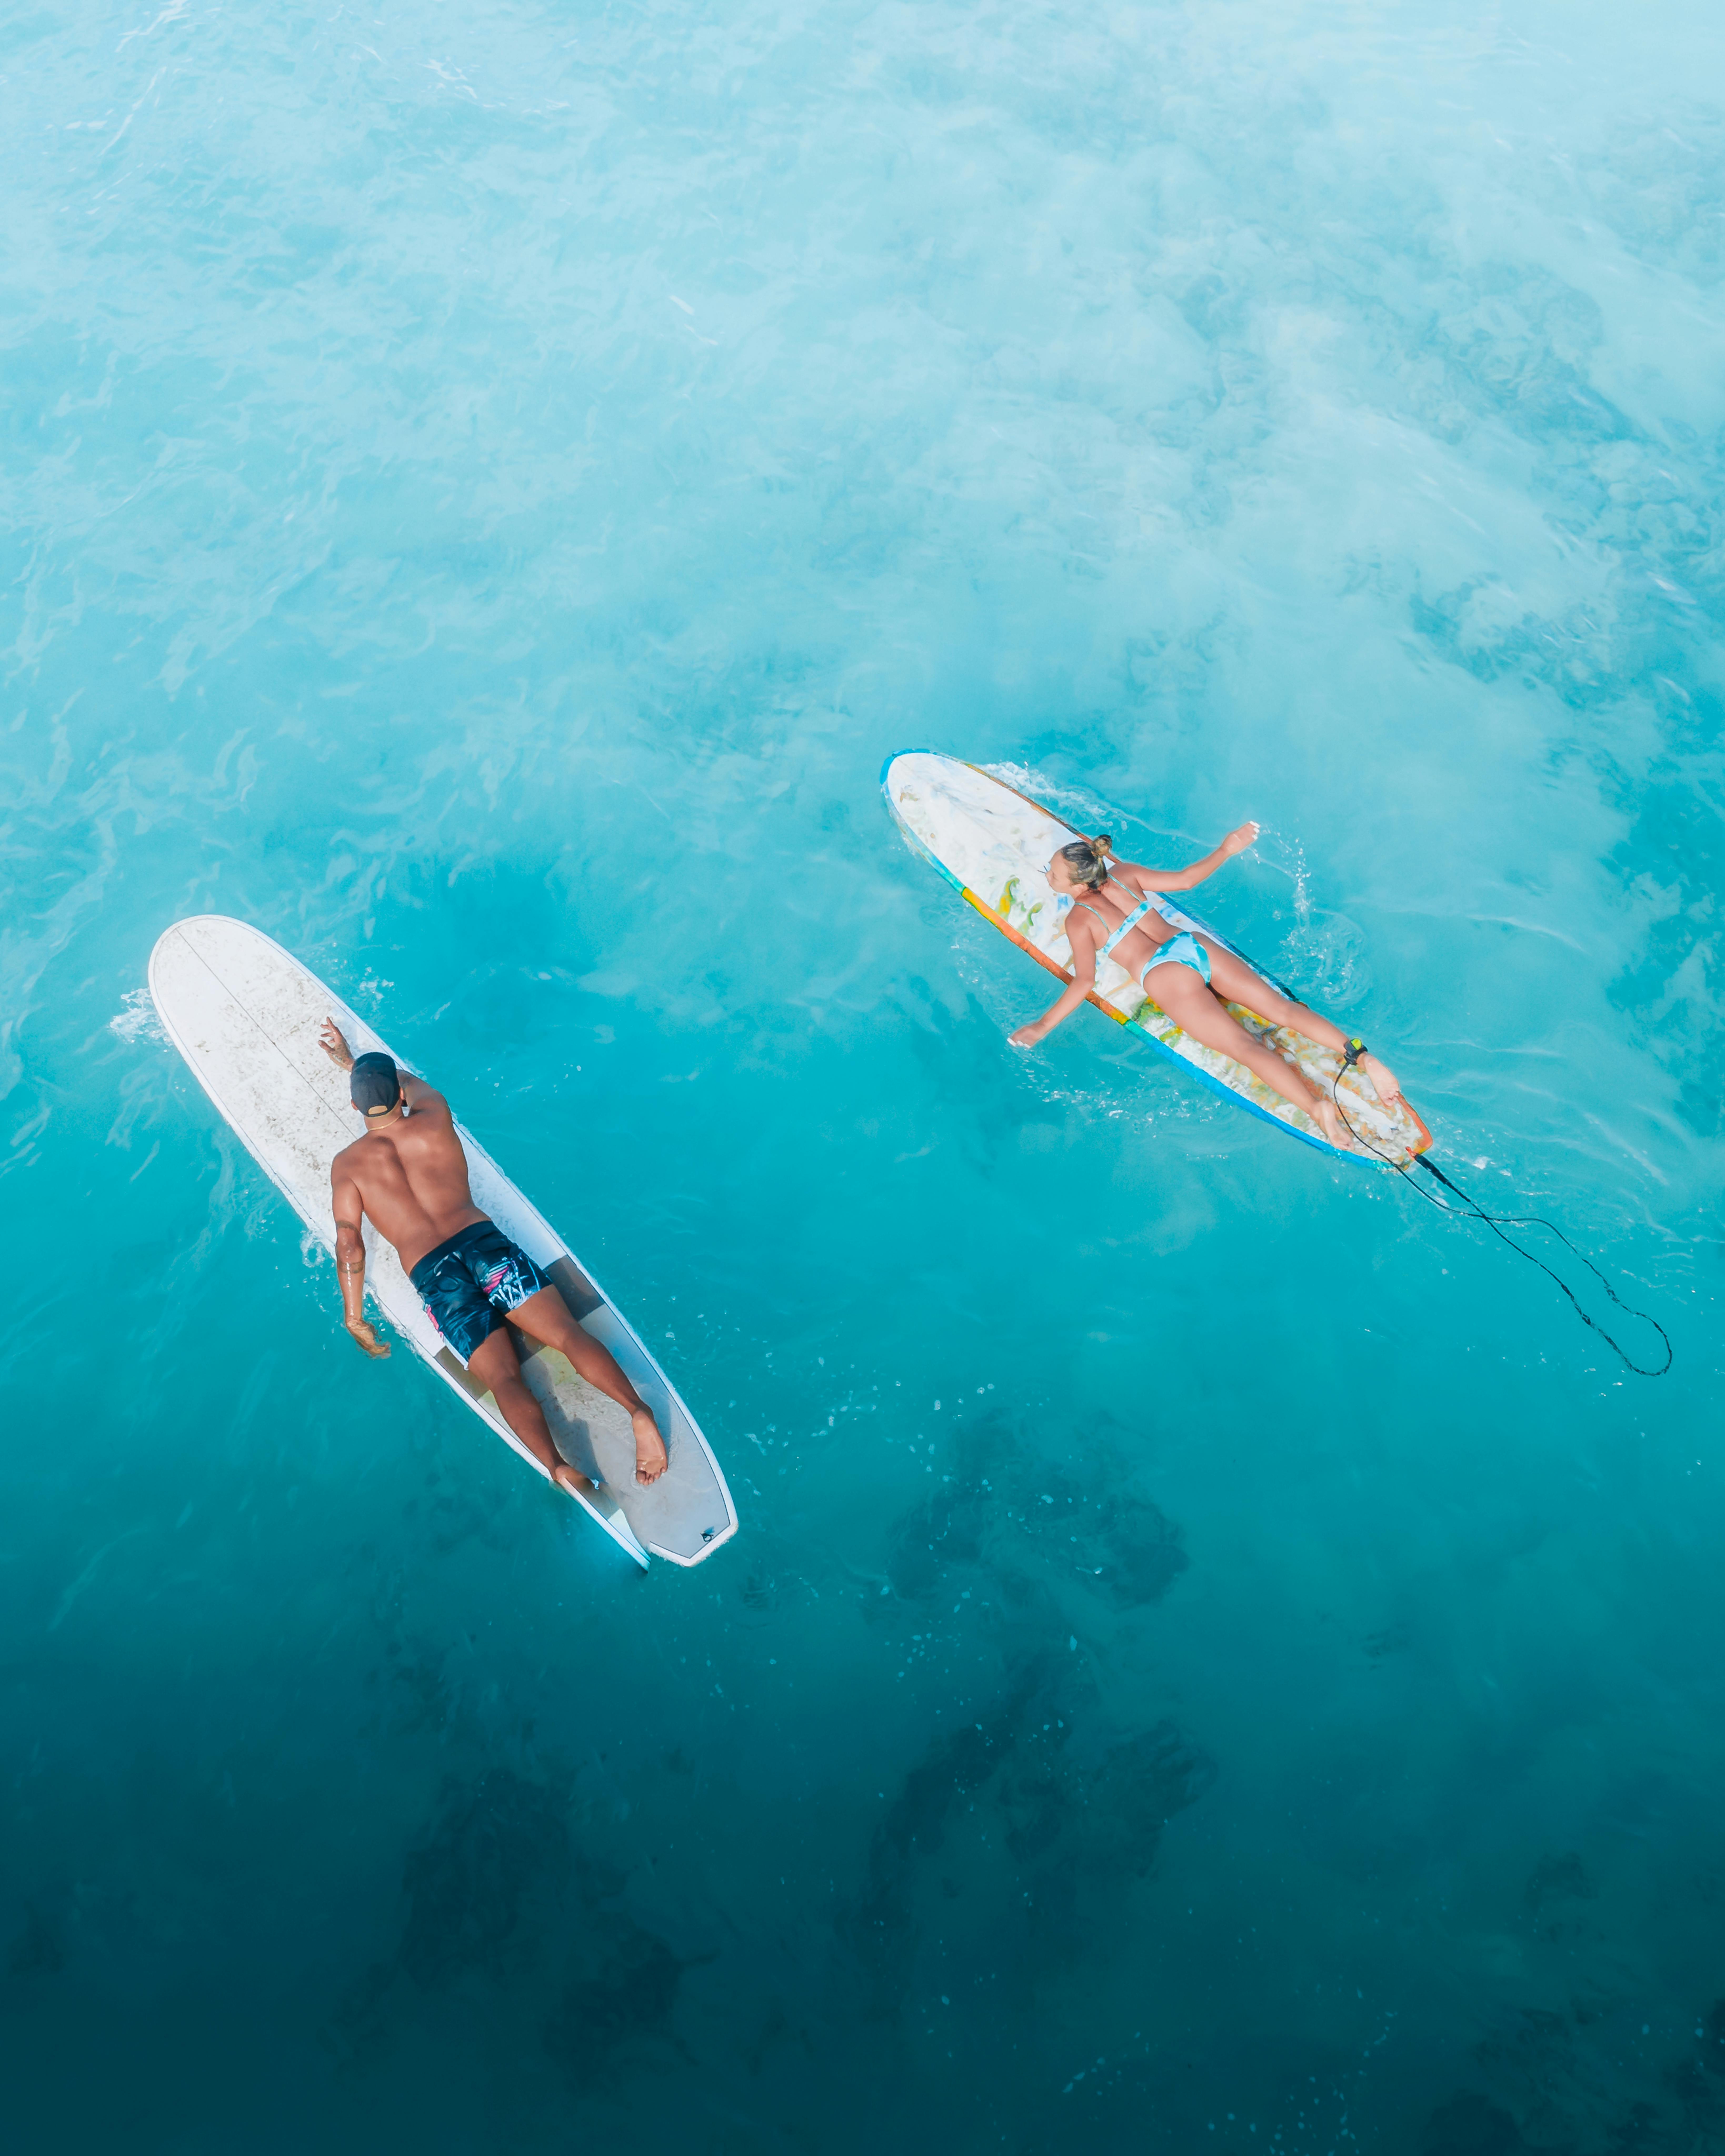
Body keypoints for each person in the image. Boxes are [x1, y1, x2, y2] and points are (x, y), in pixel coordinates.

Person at [317, 1020, 668, 1489]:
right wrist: (355, 1062)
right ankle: (637, 1413)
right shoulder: (433, 1112)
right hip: (483, 1245)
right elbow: (403, 1080)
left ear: (353, 1106)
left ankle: (557, 1465)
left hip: (435, 1275)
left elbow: (349, 1244)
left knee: (504, 1379)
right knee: (565, 1335)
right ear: (401, 1098)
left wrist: (354, 1315)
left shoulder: (347, 1166)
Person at [1008, 825, 1402, 1151]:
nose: (1048, 876)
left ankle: (1318, 1110)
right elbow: (1187, 880)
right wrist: (1227, 848)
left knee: (1245, 1048)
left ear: (1072, 883)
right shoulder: (1124, 874)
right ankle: (1362, 1057)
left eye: (1051, 873)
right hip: (1192, 947)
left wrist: (1042, 1026)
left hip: (1164, 976)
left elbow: (1085, 981)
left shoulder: (1079, 920)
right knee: (1283, 1011)